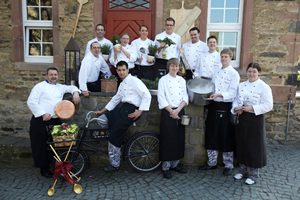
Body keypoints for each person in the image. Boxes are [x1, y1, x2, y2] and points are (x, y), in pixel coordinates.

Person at [96, 61, 151, 173]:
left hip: (131, 111)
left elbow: (147, 95)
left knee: (113, 137)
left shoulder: (135, 81)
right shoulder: (122, 84)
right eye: (119, 70)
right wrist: (102, 111)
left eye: (123, 70)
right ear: (116, 71)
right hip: (122, 109)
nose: (121, 72)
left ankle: (115, 164)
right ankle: (120, 137)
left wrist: (139, 112)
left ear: (127, 70)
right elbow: (116, 99)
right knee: (101, 120)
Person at [27, 67, 81, 178]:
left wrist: (75, 93)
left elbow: (72, 87)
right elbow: (31, 101)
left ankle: (56, 166)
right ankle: (44, 169)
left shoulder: (60, 87)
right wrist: (42, 113)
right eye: (51, 75)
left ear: (58, 76)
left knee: (55, 145)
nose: (53, 76)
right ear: (46, 76)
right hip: (41, 120)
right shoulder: (39, 87)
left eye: (55, 75)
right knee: (41, 146)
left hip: (55, 120)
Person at [198, 49, 240, 176]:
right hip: (213, 105)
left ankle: (228, 164)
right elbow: (211, 88)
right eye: (221, 56)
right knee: (211, 132)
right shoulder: (215, 72)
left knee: (226, 135)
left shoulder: (234, 74)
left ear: (231, 58)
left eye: (225, 57)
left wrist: (219, 94)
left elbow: (233, 93)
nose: (223, 59)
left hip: (226, 106)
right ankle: (212, 163)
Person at [231, 62, 273, 185]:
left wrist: (251, 108)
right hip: (242, 118)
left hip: (255, 119)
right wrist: (236, 109)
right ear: (246, 72)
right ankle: (243, 171)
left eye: (254, 71)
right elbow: (235, 101)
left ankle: (253, 175)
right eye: (250, 71)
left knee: (254, 147)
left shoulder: (264, 87)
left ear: (259, 73)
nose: (251, 74)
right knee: (242, 144)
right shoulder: (241, 85)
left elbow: (268, 105)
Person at [157, 58, 189, 179]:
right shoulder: (163, 80)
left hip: (179, 111)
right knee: (167, 138)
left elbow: (185, 96)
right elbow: (161, 98)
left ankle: (175, 164)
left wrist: (178, 111)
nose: (174, 68)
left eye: (176, 66)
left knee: (178, 138)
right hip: (167, 112)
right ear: (168, 67)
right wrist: (172, 111)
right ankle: (165, 166)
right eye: (172, 66)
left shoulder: (182, 80)